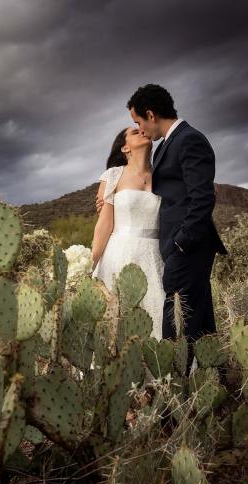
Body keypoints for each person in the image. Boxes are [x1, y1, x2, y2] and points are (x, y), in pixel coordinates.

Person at [97, 84, 227, 373]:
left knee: (178, 320)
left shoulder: (188, 139)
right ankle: (212, 374)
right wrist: (112, 200)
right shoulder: (170, 144)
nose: (140, 129)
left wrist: (182, 241)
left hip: (187, 244)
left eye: (138, 121)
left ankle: (174, 387)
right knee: (198, 314)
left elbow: (203, 197)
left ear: (151, 114)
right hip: (172, 245)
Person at [91, 126, 165, 341]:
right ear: (124, 148)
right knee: (116, 321)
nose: (142, 132)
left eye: (142, 130)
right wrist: (91, 264)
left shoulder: (163, 174)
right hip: (118, 253)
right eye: (135, 132)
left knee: (157, 315)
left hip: (155, 255)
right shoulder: (113, 175)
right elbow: (104, 224)